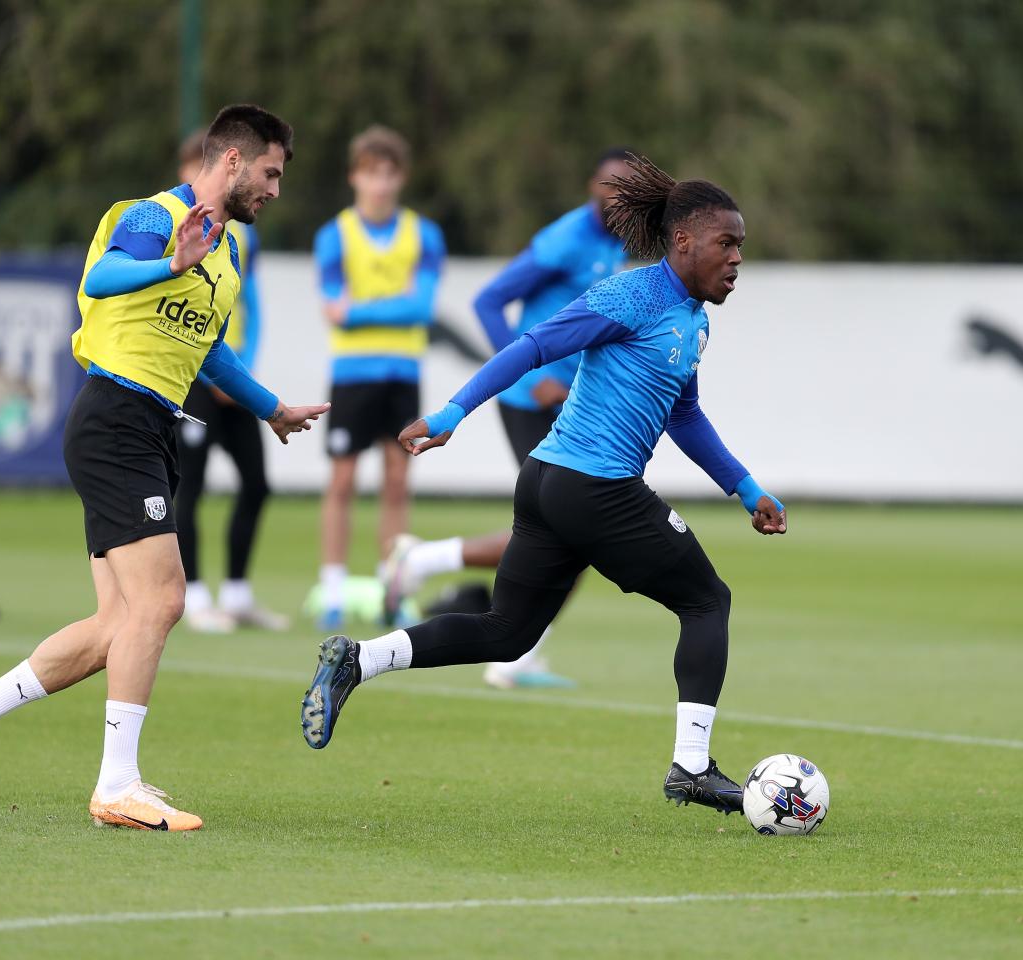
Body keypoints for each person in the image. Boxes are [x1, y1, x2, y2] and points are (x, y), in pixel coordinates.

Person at [301, 154, 787, 816]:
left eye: (741, 246)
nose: (736, 259)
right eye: (726, 243)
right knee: (707, 601)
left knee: (507, 633)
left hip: (551, 483)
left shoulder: (694, 322)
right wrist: (452, 413)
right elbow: (533, 346)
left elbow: (684, 413)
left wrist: (746, 486)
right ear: (683, 241)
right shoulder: (633, 295)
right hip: (595, 487)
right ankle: (692, 768)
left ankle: (359, 659)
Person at [0, 104, 329, 830]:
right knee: (161, 601)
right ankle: (116, 784)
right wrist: (171, 262)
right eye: (271, 173)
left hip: (149, 426)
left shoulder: (229, 250)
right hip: (115, 420)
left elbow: (211, 350)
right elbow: (103, 277)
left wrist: (270, 407)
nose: (276, 190)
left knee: (116, 624)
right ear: (231, 161)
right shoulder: (155, 216)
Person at [380, 148, 633, 688]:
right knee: (574, 528)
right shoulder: (564, 240)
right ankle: (439, 579)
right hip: (529, 402)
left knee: (574, 533)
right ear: (593, 184)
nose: (619, 198)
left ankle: (503, 643)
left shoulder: (615, 239)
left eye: (629, 189)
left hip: (568, 404)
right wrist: (526, 374)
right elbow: (489, 301)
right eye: (612, 186)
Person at [314, 126, 446, 630]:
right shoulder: (334, 235)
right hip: (352, 374)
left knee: (397, 479)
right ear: (355, 177)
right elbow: (334, 313)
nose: (381, 184)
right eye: (372, 173)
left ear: (401, 178)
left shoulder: (424, 235)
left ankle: (392, 587)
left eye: (389, 174)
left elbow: (423, 306)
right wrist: (393, 308)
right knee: (343, 478)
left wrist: (361, 309)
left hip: (403, 371)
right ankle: (331, 588)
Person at [173, 130, 288, 633]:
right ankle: (193, 595)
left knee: (258, 484)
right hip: (194, 379)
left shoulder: (245, 231)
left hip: (232, 373)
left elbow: (253, 304)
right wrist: (209, 368)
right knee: (188, 488)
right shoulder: (174, 223)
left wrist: (242, 365)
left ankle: (237, 593)